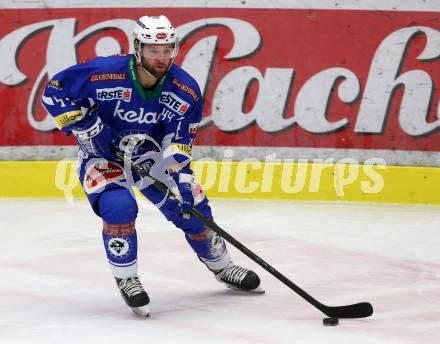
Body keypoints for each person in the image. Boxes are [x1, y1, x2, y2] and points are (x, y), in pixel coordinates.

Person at [41, 15, 263, 317]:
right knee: (118, 207)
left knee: (193, 208)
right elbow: (53, 91)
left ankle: (223, 267)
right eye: (153, 50)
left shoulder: (184, 90)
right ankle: (127, 277)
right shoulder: (103, 73)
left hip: (149, 156)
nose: (161, 57)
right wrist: (86, 125)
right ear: (138, 49)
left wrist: (181, 178)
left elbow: (178, 141)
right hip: (102, 155)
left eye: (167, 50)